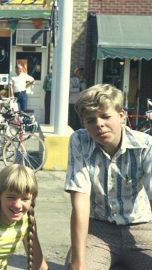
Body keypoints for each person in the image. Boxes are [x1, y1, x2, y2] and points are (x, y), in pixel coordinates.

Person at [65, 84, 152, 270]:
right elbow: (80, 203)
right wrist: (78, 263)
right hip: (98, 227)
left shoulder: (146, 145)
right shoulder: (79, 141)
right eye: (91, 120)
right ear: (83, 123)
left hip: (141, 226)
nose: (99, 125)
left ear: (122, 116)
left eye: (105, 116)